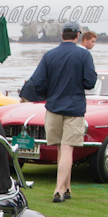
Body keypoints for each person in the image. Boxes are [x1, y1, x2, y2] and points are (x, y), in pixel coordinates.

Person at [23, 21, 97, 202]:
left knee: (59, 149)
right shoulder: (83, 55)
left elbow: (37, 82)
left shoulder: (50, 55)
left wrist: (49, 94)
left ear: (62, 35)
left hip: (53, 107)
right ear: (78, 35)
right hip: (74, 108)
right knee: (67, 149)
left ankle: (67, 186)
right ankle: (58, 189)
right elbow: (90, 82)